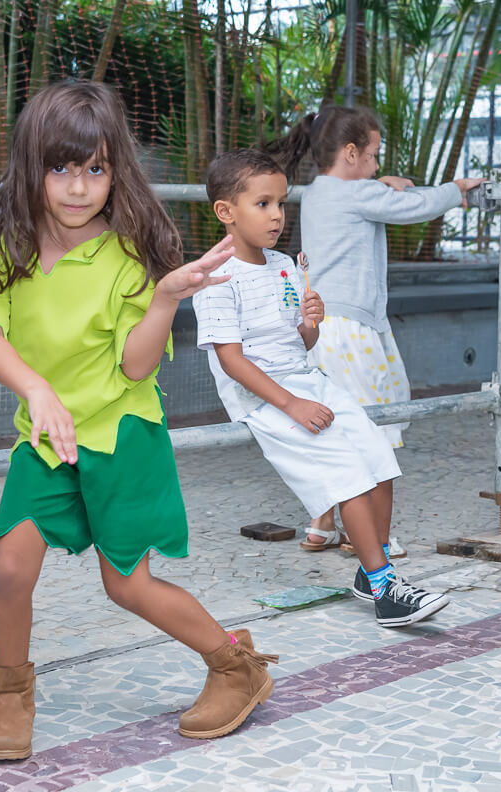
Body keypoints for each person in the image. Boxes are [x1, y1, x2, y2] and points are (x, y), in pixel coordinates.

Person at [0, 81, 277, 761]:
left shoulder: (130, 255)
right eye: (61, 167)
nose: (78, 186)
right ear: (31, 166)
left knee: (125, 583)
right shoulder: (3, 247)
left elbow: (136, 369)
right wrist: (36, 390)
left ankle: (234, 665)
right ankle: (12, 688)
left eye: (95, 169)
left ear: (115, 171)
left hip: (121, 432)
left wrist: (164, 298)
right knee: (10, 568)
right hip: (45, 436)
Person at [191, 148, 450, 628]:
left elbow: (302, 342)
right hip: (264, 394)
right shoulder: (216, 278)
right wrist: (292, 404)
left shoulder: (285, 266)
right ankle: (385, 588)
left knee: (378, 457)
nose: (276, 216)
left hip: (306, 379)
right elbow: (230, 359)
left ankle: (368, 572)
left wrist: (310, 325)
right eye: (263, 204)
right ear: (226, 212)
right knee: (347, 471)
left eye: (281, 204)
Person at [275, 106, 484, 554]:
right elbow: (413, 206)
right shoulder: (359, 195)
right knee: (368, 427)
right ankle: (369, 537)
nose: (376, 165)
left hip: (319, 330)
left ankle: (322, 524)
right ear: (350, 153)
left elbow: (374, 194)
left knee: (330, 425)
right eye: (372, 156)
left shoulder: (316, 193)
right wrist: (456, 190)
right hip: (352, 331)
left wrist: (378, 183)